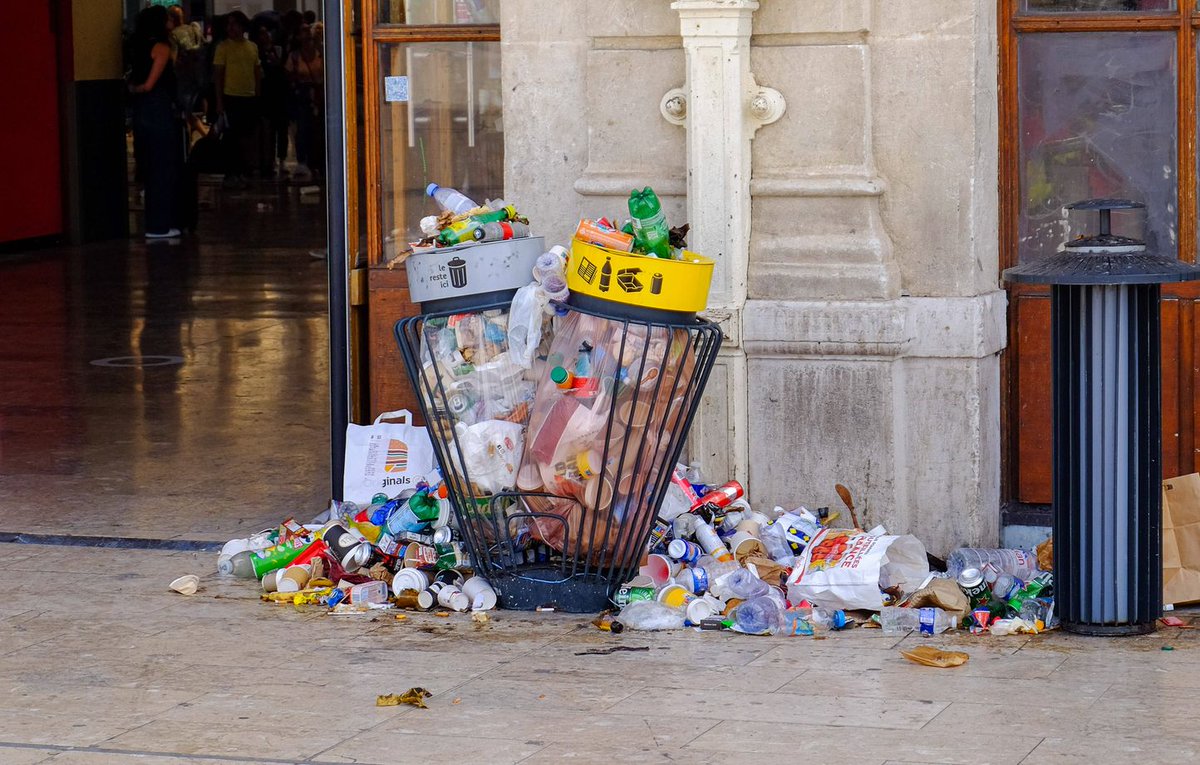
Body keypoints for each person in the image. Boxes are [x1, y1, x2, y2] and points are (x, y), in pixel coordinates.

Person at [130, 5, 184, 239]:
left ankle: (153, 223)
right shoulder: (162, 48)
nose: (171, 22)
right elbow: (151, 84)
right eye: (167, 19)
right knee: (164, 166)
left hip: (140, 111)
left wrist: (134, 88)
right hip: (158, 108)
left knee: (150, 166)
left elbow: (135, 81)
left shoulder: (136, 46)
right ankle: (160, 225)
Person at [213, 11, 261, 189]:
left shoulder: (252, 47)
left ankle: (241, 171)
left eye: (234, 24)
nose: (231, 28)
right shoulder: (223, 47)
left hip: (248, 97)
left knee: (245, 136)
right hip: (230, 96)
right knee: (231, 137)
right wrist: (219, 101)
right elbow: (218, 75)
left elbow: (256, 71)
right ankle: (230, 172)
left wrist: (257, 94)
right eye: (228, 24)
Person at [285, 24, 324, 182]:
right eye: (304, 31)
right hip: (302, 96)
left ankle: (317, 162)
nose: (307, 34)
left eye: (309, 30)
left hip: (318, 96)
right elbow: (287, 76)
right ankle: (303, 161)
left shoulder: (321, 53)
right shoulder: (294, 57)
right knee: (302, 129)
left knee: (318, 129)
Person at [256, 25, 288, 177]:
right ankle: (269, 160)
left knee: (282, 128)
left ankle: (282, 158)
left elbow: (283, 67)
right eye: (262, 34)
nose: (266, 36)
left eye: (267, 32)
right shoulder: (257, 52)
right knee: (269, 130)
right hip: (266, 94)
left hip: (280, 93)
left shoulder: (279, 49)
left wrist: (276, 61)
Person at [167, 5, 205, 113]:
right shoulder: (194, 29)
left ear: (170, 18)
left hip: (183, 77)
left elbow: (173, 61)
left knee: (184, 110)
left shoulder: (173, 35)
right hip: (199, 74)